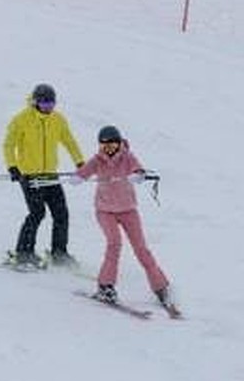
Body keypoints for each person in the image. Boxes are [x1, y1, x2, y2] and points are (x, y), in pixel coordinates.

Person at [74, 124, 177, 312]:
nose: (108, 148)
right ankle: (106, 287)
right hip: (105, 211)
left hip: (128, 210)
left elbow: (138, 169)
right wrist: (78, 178)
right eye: (104, 145)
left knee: (141, 249)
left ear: (119, 143)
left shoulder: (127, 157)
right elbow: (84, 173)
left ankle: (161, 287)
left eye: (112, 144)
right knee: (114, 244)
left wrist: (138, 175)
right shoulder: (98, 160)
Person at [2, 82, 85, 268]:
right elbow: (8, 144)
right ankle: (24, 252)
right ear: (35, 101)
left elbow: (69, 141)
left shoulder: (58, 120)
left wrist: (80, 161)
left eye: (51, 103)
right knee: (37, 213)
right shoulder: (21, 119)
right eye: (44, 103)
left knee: (61, 213)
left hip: (50, 175)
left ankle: (59, 252)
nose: (48, 107)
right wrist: (12, 166)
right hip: (30, 176)